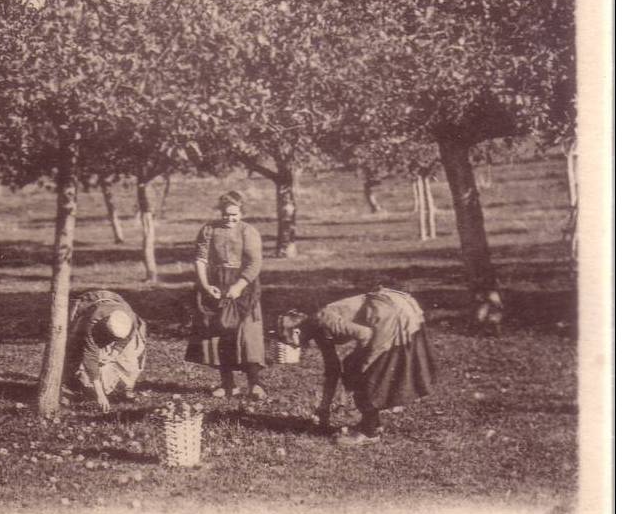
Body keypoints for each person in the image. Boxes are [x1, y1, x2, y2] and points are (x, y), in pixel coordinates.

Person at [280, 287, 437, 446]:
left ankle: (369, 432)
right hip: (388, 310)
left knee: (362, 373)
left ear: (297, 332)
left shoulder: (324, 320)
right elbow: (332, 370)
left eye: (287, 340)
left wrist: (360, 363)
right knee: (354, 369)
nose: (290, 346)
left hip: (391, 312)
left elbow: (365, 335)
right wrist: (324, 408)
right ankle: (372, 424)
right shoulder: (317, 328)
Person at [185, 190, 267, 399]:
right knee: (218, 333)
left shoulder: (248, 231)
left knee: (248, 333)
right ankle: (228, 383)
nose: (230, 219)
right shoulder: (208, 230)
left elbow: (254, 262)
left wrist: (239, 286)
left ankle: (255, 384)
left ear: (241, 213)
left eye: (234, 214)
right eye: (226, 214)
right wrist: (204, 285)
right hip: (216, 282)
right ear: (220, 212)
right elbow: (200, 259)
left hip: (243, 282)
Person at [64, 290, 147, 413]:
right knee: (74, 348)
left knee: (133, 351)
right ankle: (66, 385)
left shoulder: (130, 319)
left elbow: (127, 338)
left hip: (115, 300)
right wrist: (100, 395)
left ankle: (126, 386)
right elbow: (90, 358)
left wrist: (113, 354)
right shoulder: (91, 322)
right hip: (90, 302)